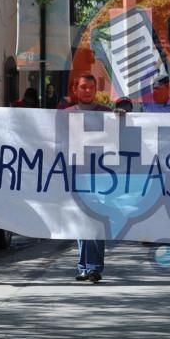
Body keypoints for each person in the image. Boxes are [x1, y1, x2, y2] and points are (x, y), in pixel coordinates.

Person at [66, 74, 112, 283]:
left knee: (95, 220)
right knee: (81, 221)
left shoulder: (106, 114)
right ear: (76, 89)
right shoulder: (65, 115)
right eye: (83, 87)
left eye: (91, 88)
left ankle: (92, 267)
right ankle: (85, 266)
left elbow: (119, 139)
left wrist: (122, 119)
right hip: (75, 175)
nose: (87, 91)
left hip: (100, 176)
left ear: (95, 90)